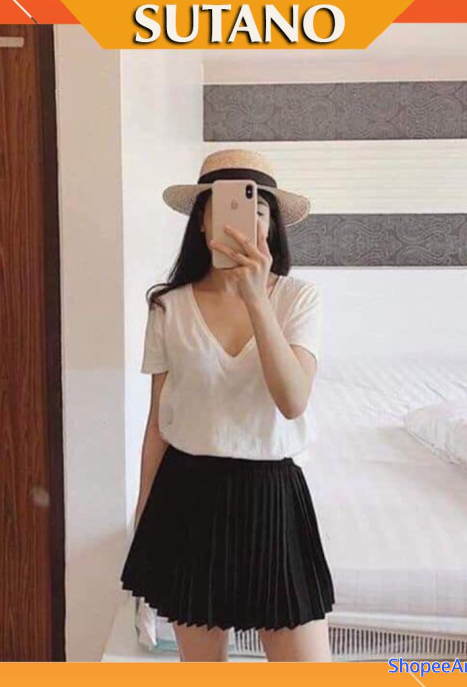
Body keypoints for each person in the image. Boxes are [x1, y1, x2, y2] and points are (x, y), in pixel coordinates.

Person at [120, 148, 335, 662]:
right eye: (226, 207)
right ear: (202, 222)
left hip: (272, 495)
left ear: (271, 225)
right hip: (187, 494)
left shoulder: (298, 298)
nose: (245, 221)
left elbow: (292, 400)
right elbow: (158, 424)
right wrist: (142, 515)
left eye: (257, 210)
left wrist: (256, 297)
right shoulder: (168, 306)